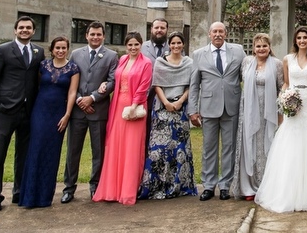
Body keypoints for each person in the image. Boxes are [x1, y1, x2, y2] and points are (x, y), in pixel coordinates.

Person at [256, 26, 307, 212]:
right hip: (292, 104)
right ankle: (288, 193)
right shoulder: (287, 59)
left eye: (305, 38)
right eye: (299, 38)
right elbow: (286, 82)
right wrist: (283, 99)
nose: (302, 41)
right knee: (290, 146)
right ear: (295, 40)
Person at [0, 16, 45, 212]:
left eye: (28, 28)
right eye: (21, 28)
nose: (25, 30)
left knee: (23, 154)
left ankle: (19, 191)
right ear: (15, 30)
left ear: (33, 31)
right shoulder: (2, 51)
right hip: (6, 111)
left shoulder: (38, 52)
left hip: (28, 111)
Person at [19, 36, 80, 208]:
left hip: (58, 115)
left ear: (68, 49)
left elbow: (72, 93)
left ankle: (44, 197)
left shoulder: (73, 68)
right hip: (39, 112)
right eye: (57, 48)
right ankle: (29, 196)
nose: (60, 51)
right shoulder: (43, 66)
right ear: (52, 49)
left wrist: (67, 115)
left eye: (63, 48)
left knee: (52, 154)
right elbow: (36, 86)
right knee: (35, 151)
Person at [93, 31, 152, 205]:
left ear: (141, 45)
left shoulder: (146, 63)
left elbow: (144, 86)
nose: (133, 48)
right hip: (118, 106)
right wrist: (105, 83)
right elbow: (116, 78)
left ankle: (127, 190)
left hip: (134, 109)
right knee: (116, 146)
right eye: (130, 45)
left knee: (131, 148)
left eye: (136, 44)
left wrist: (134, 106)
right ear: (126, 46)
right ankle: (112, 190)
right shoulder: (123, 60)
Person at [61, 21, 117, 203]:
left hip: (98, 111)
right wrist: (80, 100)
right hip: (78, 111)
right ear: (86, 35)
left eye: (99, 34)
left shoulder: (111, 56)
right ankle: (69, 188)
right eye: (92, 34)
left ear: (103, 36)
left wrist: (92, 98)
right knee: (73, 151)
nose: (95, 37)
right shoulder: (76, 54)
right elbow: (69, 79)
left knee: (98, 152)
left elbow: (112, 82)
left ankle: (96, 186)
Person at [189, 21, 245, 200]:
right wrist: (193, 110)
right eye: (215, 32)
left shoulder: (238, 51)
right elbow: (194, 85)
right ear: (209, 34)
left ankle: (225, 185)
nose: (218, 35)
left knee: (229, 147)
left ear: (226, 34)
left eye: (221, 31)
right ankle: (209, 185)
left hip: (231, 107)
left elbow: (246, 76)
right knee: (209, 148)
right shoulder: (199, 55)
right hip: (208, 108)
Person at [138, 32, 197, 199]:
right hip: (162, 110)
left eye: (179, 43)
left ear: (183, 45)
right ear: (169, 45)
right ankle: (158, 185)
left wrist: (180, 102)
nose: (176, 46)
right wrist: (166, 103)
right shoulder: (160, 62)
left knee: (180, 150)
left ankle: (179, 186)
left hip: (180, 111)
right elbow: (156, 85)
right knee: (159, 149)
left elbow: (190, 86)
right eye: (173, 43)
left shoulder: (189, 63)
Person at [231, 33, 283, 200]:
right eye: (258, 46)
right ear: (253, 48)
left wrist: (281, 113)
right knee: (249, 144)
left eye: (264, 46)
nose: (261, 49)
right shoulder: (246, 62)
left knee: (266, 146)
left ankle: (265, 185)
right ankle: (248, 188)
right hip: (248, 110)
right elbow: (241, 81)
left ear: (269, 47)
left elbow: (282, 87)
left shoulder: (277, 64)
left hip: (268, 111)